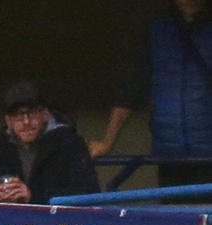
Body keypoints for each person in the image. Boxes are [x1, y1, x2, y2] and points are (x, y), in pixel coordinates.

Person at [90, 0, 212, 188]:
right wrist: (107, 141)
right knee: (174, 214)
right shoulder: (156, 29)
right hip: (169, 154)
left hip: (206, 153)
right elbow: (131, 88)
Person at [0, 81, 99, 205]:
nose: (26, 121)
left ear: (45, 114)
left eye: (32, 113)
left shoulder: (69, 142)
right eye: (18, 115)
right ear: (8, 120)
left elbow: (89, 193)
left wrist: (32, 195)